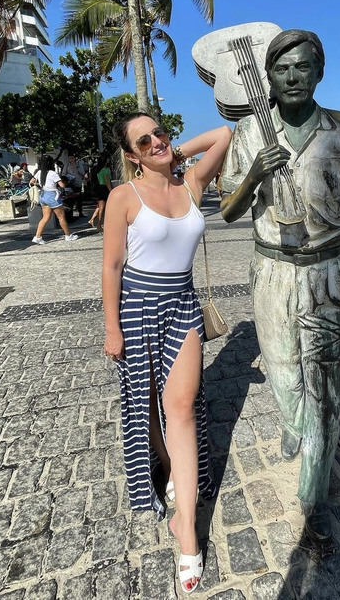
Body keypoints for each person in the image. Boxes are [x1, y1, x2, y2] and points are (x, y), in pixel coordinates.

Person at [219, 29, 340, 543]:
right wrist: (253, 175)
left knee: (328, 385)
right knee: (284, 372)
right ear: (268, 77)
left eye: (303, 66)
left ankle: (314, 495)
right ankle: (295, 423)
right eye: (282, 68)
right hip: (271, 271)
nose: (293, 76)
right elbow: (227, 211)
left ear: (319, 72)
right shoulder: (249, 131)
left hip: (328, 268)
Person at [102, 113, 231, 593]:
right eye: (144, 141)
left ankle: (186, 530)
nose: (157, 141)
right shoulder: (124, 197)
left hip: (182, 305)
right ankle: (171, 467)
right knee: (147, 402)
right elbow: (112, 266)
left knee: (181, 407)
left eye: (160, 133)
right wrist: (112, 327)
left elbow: (223, 134)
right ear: (130, 155)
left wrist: (174, 154)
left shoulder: (191, 183)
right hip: (137, 306)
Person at [29, 155, 79, 244]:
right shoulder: (52, 173)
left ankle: (37, 236)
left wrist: (39, 185)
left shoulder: (39, 172)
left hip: (43, 195)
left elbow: (31, 182)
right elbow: (62, 185)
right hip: (53, 196)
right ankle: (68, 235)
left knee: (45, 217)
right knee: (61, 217)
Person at [89, 153, 113, 232]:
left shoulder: (97, 169)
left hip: (99, 188)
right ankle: (99, 225)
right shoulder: (105, 170)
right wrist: (111, 191)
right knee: (102, 208)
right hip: (104, 189)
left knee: (100, 207)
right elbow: (107, 182)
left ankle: (96, 222)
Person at [62, 152, 88, 217]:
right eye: (70, 158)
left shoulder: (79, 164)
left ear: (75, 158)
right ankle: (71, 214)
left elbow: (83, 173)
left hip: (78, 183)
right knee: (71, 199)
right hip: (70, 184)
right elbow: (63, 174)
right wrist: (68, 178)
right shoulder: (67, 165)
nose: (71, 160)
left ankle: (80, 212)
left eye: (72, 158)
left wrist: (77, 168)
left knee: (79, 199)